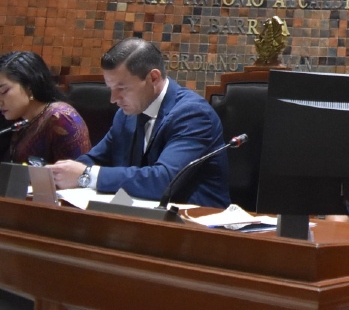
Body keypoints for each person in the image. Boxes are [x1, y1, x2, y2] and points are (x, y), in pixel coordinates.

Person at [48, 39, 230, 207]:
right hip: (139, 218)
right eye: (111, 89)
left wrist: (86, 176)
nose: (113, 99)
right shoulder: (126, 115)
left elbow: (164, 181)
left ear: (153, 78)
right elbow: (95, 158)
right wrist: (58, 173)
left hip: (194, 226)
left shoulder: (193, 114)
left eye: (122, 88)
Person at [0, 51, 90, 164]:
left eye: (4, 91)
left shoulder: (61, 118)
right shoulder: (17, 118)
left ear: (29, 86)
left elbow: (77, 175)